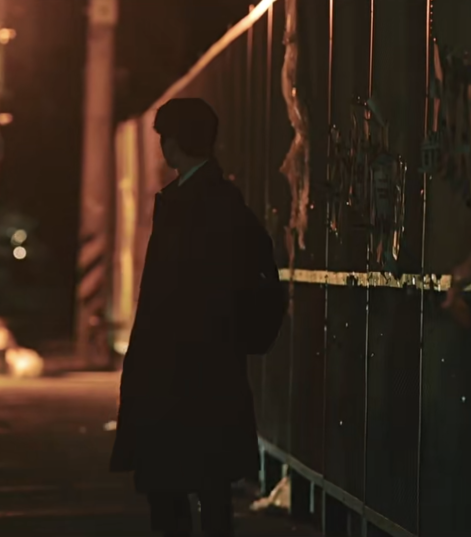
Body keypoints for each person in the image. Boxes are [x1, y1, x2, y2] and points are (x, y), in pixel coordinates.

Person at [109, 98, 282, 537]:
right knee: (210, 485)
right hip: (213, 368)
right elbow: (260, 271)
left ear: (174, 143)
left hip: (174, 370)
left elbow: (166, 297)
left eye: (164, 138)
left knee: (168, 486)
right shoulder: (223, 200)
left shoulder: (188, 202)